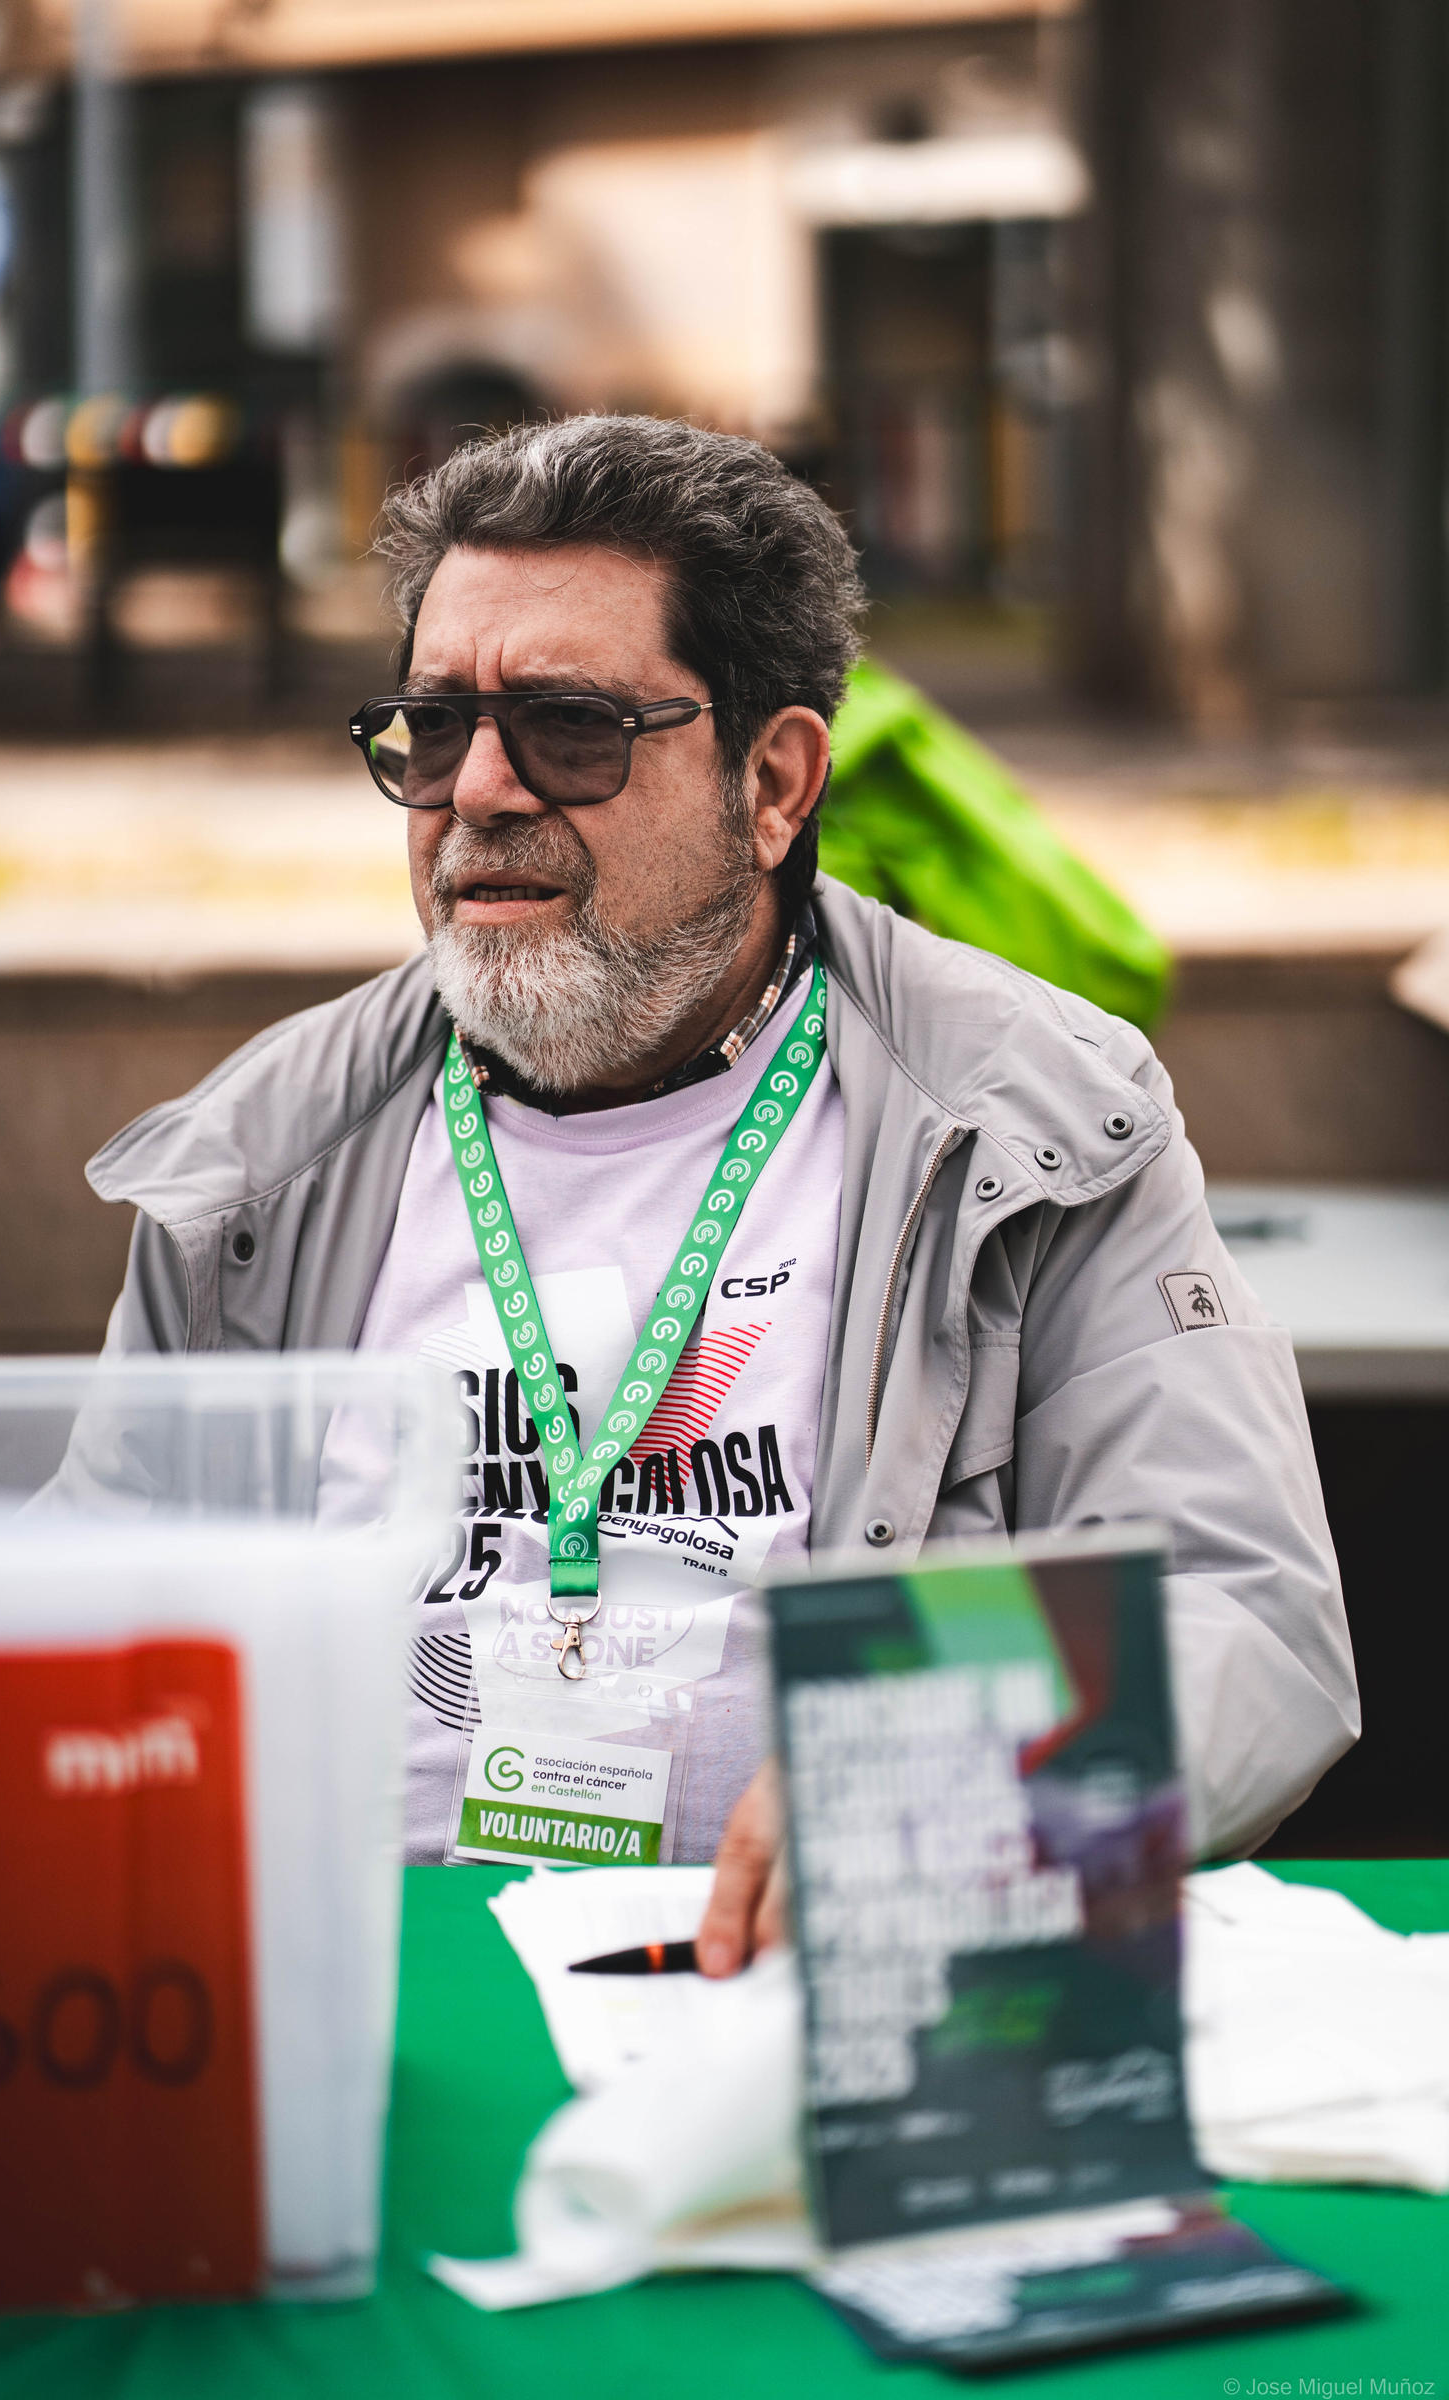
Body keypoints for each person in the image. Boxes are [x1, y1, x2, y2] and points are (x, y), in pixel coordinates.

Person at [86, 413, 1358, 1975]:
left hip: (812, 1991)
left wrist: (959, 1792)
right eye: (432, 727)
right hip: (346, 1987)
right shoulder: (256, 1162)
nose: (477, 791)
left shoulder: (1032, 1124)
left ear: (773, 781)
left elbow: (1245, 1615)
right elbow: (82, 1628)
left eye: (569, 728)